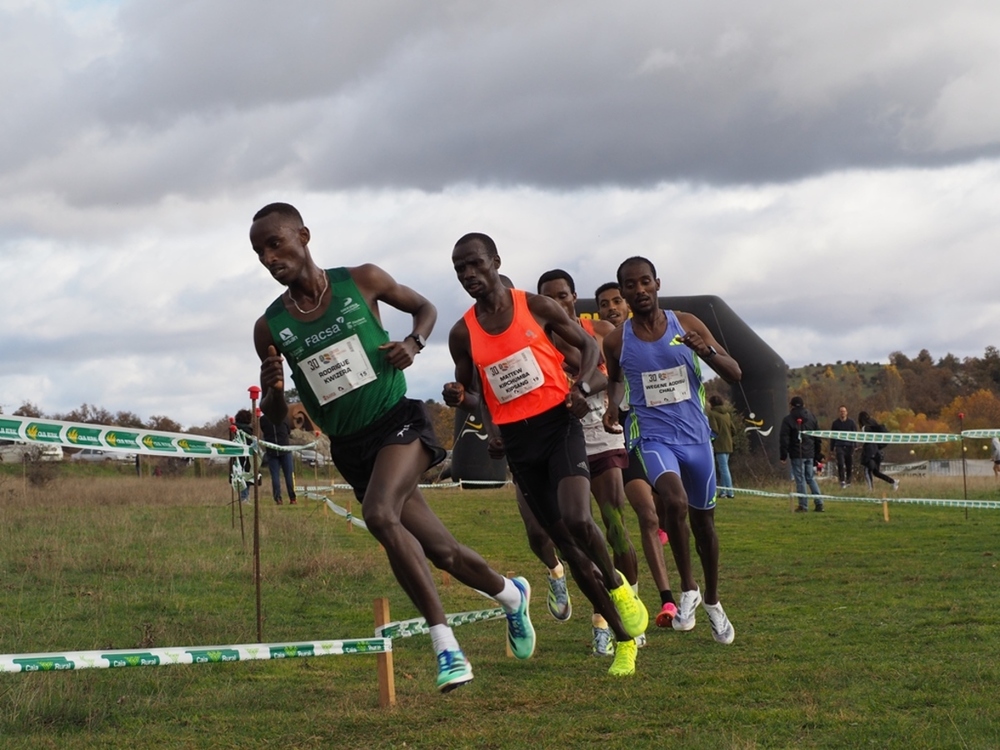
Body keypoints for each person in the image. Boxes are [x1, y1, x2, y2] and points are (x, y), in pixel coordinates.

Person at [251, 203, 534, 694]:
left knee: (381, 515)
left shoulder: (361, 280)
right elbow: (277, 417)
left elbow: (425, 308)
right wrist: (273, 390)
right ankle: (511, 595)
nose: (269, 257)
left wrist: (414, 343)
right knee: (442, 551)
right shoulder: (270, 326)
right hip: (351, 447)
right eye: (259, 252)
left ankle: (445, 645)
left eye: (275, 243)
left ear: (304, 235)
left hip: (398, 423)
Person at [445, 233, 648, 678]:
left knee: (579, 520)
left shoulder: (534, 306)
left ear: (496, 261)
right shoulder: (462, 332)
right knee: (570, 552)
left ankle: (618, 587)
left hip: (560, 428)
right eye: (460, 269)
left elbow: (591, 348)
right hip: (519, 446)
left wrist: (580, 388)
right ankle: (622, 640)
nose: (469, 275)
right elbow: (474, 393)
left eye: (476, 265)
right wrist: (461, 397)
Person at [602, 256, 741, 645]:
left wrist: (706, 351)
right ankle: (687, 587)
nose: (639, 290)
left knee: (704, 524)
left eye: (645, 282)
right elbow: (614, 381)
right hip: (652, 437)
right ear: (624, 292)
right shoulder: (617, 340)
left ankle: (711, 601)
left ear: (657, 284)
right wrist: (613, 406)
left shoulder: (688, 323)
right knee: (674, 501)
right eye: (630, 285)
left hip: (697, 438)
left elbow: (735, 373)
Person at [536, 269, 642, 656]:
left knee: (614, 525)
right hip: (561, 441)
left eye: (563, 296)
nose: (557, 304)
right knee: (576, 536)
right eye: (548, 298)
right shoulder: (536, 338)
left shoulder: (596, 329)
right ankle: (601, 613)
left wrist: (598, 396)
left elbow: (612, 373)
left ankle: (628, 606)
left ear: (573, 297)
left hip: (600, 434)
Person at [596, 281, 679, 632]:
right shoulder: (602, 343)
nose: (612, 307)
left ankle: (668, 538)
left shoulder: (649, 337)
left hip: (659, 433)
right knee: (642, 517)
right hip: (622, 437)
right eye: (605, 304)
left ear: (628, 304)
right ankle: (663, 599)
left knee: (670, 511)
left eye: (617, 301)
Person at [779, 396, 824, 512]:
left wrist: (783, 455)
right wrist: (817, 453)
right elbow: (817, 436)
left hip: (796, 453)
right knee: (810, 478)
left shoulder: (788, 419)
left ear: (792, 406)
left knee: (800, 479)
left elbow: (784, 439)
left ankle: (803, 505)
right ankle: (819, 503)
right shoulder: (811, 417)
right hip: (810, 453)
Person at [260, 412, 297, 505]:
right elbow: (288, 431)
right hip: (285, 449)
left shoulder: (263, 419)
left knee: (275, 476)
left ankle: (278, 499)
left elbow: (264, 430)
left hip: (271, 450)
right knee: (289, 475)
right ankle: (292, 498)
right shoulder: (284, 416)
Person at [858, 411, 898, 491]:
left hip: (869, 453)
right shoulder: (874, 425)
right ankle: (893, 482)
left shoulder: (864, 428)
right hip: (877, 453)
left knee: (867, 470)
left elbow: (865, 440)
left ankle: (870, 489)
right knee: (876, 472)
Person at [706, 395, 736, 499]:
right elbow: (733, 429)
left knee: (723, 469)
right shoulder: (727, 414)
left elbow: (714, 430)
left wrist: (709, 440)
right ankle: (723, 492)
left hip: (720, 445)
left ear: (712, 403)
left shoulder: (712, 414)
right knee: (724, 468)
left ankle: (730, 492)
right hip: (728, 444)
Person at [829, 405, 857, 488]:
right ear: (839, 413)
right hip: (839, 446)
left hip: (849, 446)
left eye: (844, 411)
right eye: (841, 411)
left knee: (849, 464)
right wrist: (831, 448)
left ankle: (849, 481)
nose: (842, 413)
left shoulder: (851, 423)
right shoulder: (835, 423)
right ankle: (842, 481)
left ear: (846, 412)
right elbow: (832, 436)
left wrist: (855, 445)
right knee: (840, 463)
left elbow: (855, 434)